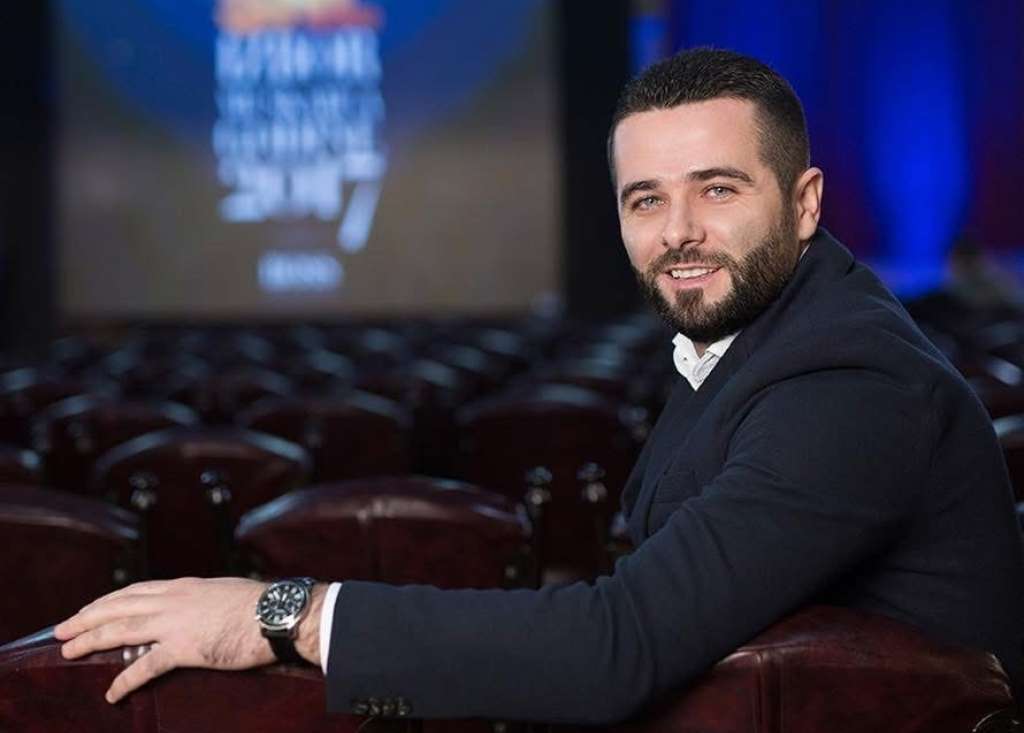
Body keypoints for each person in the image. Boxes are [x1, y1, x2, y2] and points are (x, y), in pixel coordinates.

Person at [55, 48, 1024, 721]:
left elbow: (617, 646)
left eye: (718, 189)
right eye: (646, 199)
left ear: (804, 203)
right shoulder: (754, 333)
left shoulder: (847, 382)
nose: (678, 231)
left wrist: (281, 615)